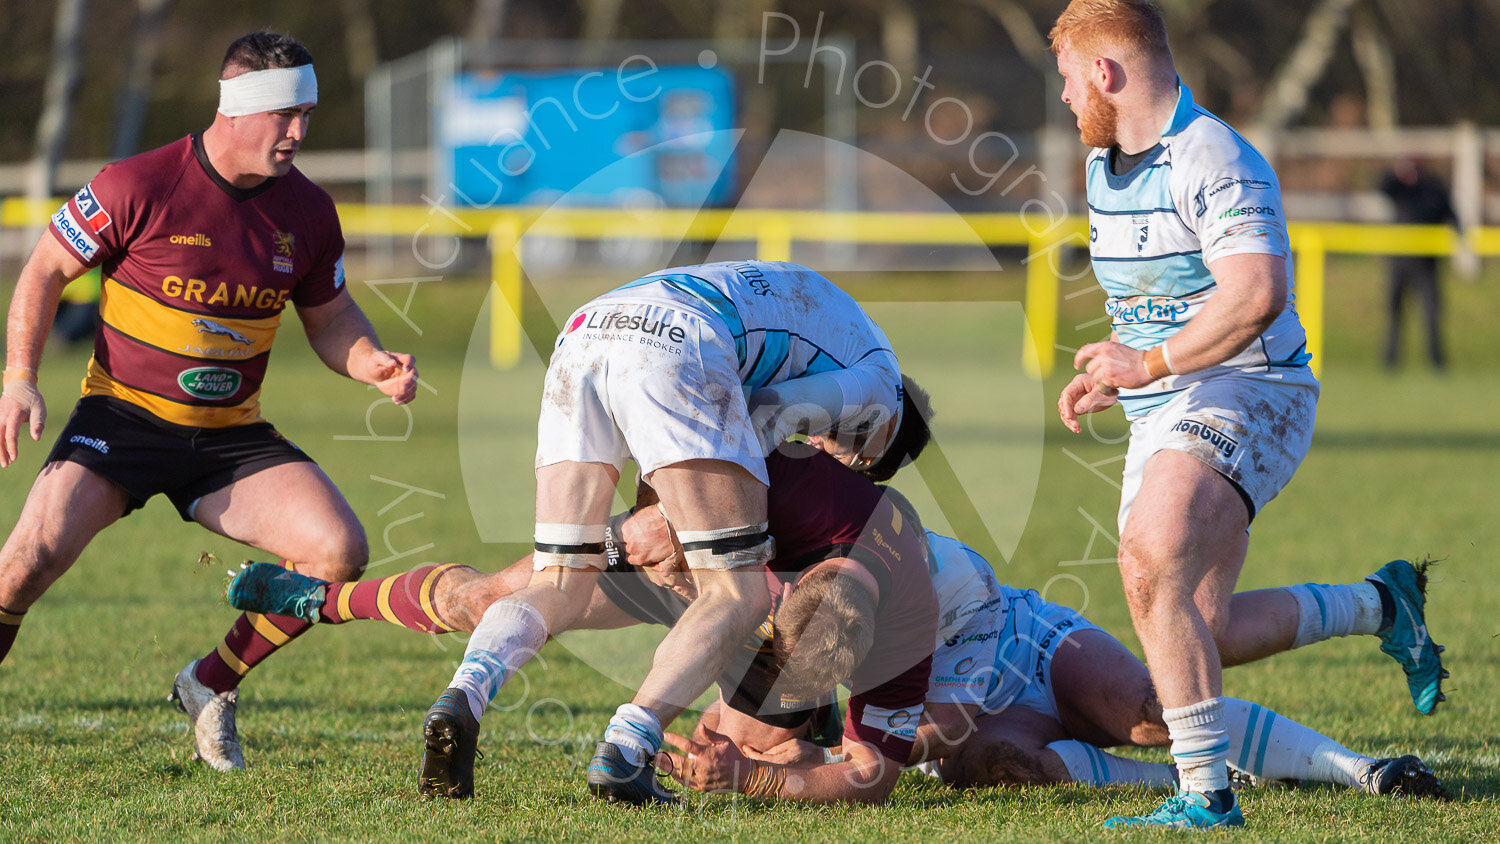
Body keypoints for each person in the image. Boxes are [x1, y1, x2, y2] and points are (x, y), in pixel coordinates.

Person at [1048, 0, 1442, 829]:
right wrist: (1124, 376)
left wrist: (1146, 364)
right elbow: (1156, 305)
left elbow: (1256, 293)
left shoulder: (1214, 156)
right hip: (1170, 403)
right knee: (1193, 634)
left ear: (1105, 73)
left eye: (1066, 82)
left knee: (1149, 561)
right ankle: (1381, 605)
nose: (1063, 101)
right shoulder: (1102, 163)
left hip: (1253, 389)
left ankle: (1206, 799)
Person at [0, 31, 418, 772]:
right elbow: (42, 272)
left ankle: (209, 683)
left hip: (227, 438)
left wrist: (371, 363)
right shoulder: (137, 184)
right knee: (24, 562)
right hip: (121, 420)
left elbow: (332, 320)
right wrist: (19, 377)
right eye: (285, 115)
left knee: (336, 553)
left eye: (307, 115)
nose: (299, 132)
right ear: (237, 109)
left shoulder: (311, 213)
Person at [414, 259, 911, 804]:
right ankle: (627, 749)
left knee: (560, 578)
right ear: (882, 437)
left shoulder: (848, 327)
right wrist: (694, 525)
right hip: (681, 341)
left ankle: (466, 691)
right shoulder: (882, 390)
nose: (829, 454)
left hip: (587, 330)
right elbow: (765, 412)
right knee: (735, 594)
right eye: (851, 457)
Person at [224, 440, 940, 802]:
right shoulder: (811, 493)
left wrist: (750, 776)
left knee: (733, 754)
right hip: (708, 560)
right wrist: (656, 513)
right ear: (806, 576)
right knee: (488, 596)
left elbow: (873, 776)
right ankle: (320, 601)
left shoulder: (907, 622)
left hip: (749, 608)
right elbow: (693, 431)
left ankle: (775, 735)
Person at [666, 514, 1448, 806]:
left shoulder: (947, 582)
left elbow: (905, 749)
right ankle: (1205, 777)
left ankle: (1366, 770)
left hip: (1030, 652)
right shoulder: (795, 596)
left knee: (1146, 712)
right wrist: (746, 748)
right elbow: (737, 722)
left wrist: (773, 773)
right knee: (998, 763)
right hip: (980, 725)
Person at [1379, 158, 1459, 371]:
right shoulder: (1399, 188)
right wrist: (1397, 174)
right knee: (1394, 314)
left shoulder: (1433, 189)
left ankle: (1437, 363)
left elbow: (1451, 214)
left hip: (1426, 264)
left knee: (1432, 315)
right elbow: (1383, 187)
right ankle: (1390, 363)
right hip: (1399, 262)